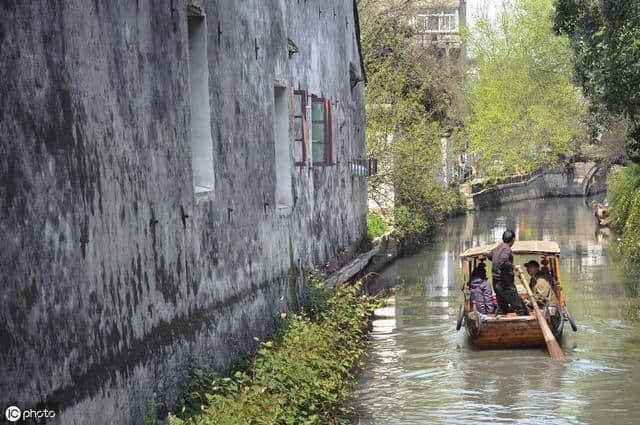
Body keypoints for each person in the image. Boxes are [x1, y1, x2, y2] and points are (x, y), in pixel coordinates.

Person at [489, 229, 528, 316]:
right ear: (513, 239)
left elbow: (489, 256)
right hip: (505, 284)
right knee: (520, 307)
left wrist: (497, 263)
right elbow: (503, 261)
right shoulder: (507, 249)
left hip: (496, 282)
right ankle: (522, 325)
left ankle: (499, 324)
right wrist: (514, 267)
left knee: (502, 308)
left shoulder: (496, 248)